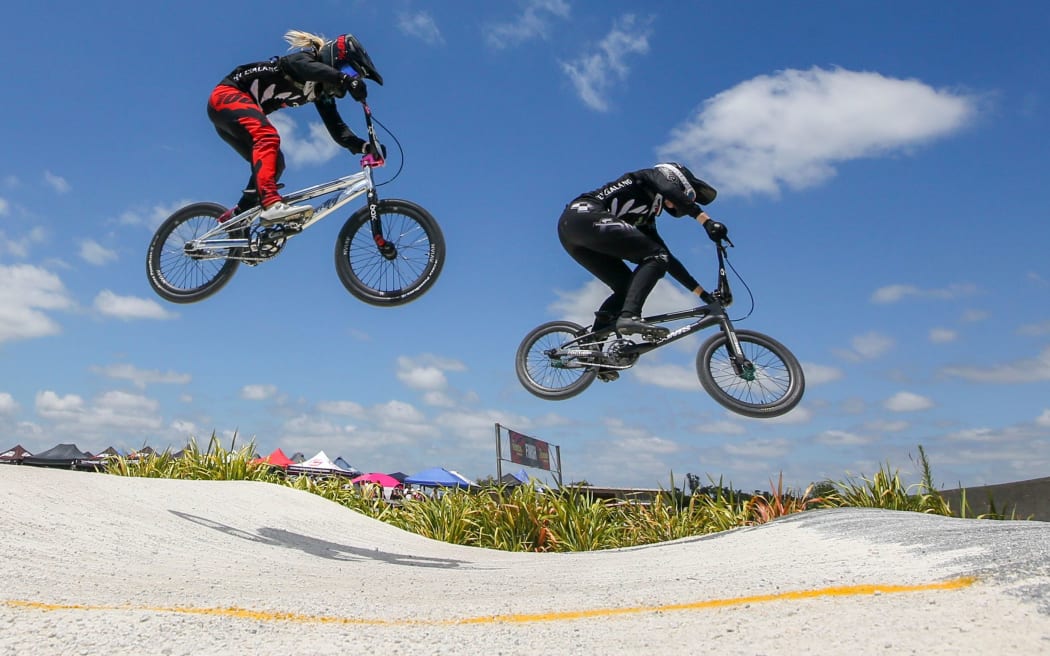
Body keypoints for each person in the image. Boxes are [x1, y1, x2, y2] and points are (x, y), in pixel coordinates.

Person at [207, 30, 384, 224]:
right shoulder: (302, 59)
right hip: (226, 96)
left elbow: (338, 129)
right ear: (335, 59)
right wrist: (345, 79)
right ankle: (272, 204)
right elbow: (306, 68)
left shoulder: (318, 93)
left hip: (230, 119)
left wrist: (365, 147)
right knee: (267, 137)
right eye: (350, 71)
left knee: (275, 163)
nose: (350, 78)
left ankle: (238, 218)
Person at [558, 162, 728, 338]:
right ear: (674, 181)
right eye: (688, 195)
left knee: (629, 286)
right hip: (583, 214)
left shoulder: (645, 218)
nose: (678, 205)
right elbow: (668, 190)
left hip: (573, 236)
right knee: (656, 256)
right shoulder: (646, 176)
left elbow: (667, 259)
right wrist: (706, 221)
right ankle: (629, 316)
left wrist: (703, 295)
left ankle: (595, 355)